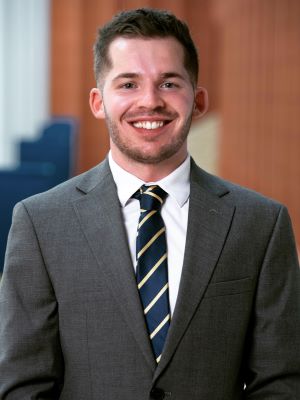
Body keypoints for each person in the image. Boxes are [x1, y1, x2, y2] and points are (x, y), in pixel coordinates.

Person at [0, 8, 299, 400]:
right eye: (127, 84)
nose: (150, 101)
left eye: (170, 83)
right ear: (98, 102)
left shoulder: (261, 224)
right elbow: (23, 386)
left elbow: (281, 382)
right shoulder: (40, 223)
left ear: (199, 100)